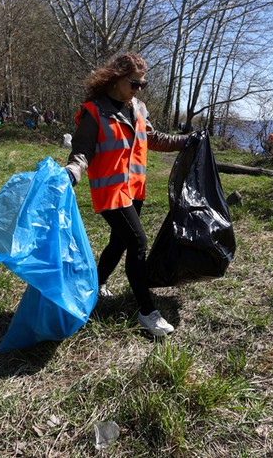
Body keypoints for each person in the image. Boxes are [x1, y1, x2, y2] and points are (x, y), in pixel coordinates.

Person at [65, 51, 189, 337]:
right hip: (110, 193)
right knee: (137, 243)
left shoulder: (138, 107)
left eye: (141, 85)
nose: (138, 89)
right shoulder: (93, 112)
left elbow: (155, 138)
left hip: (135, 189)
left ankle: (95, 287)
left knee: (118, 243)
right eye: (135, 83)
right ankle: (147, 311)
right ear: (116, 78)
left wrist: (187, 141)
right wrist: (73, 171)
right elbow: (82, 151)